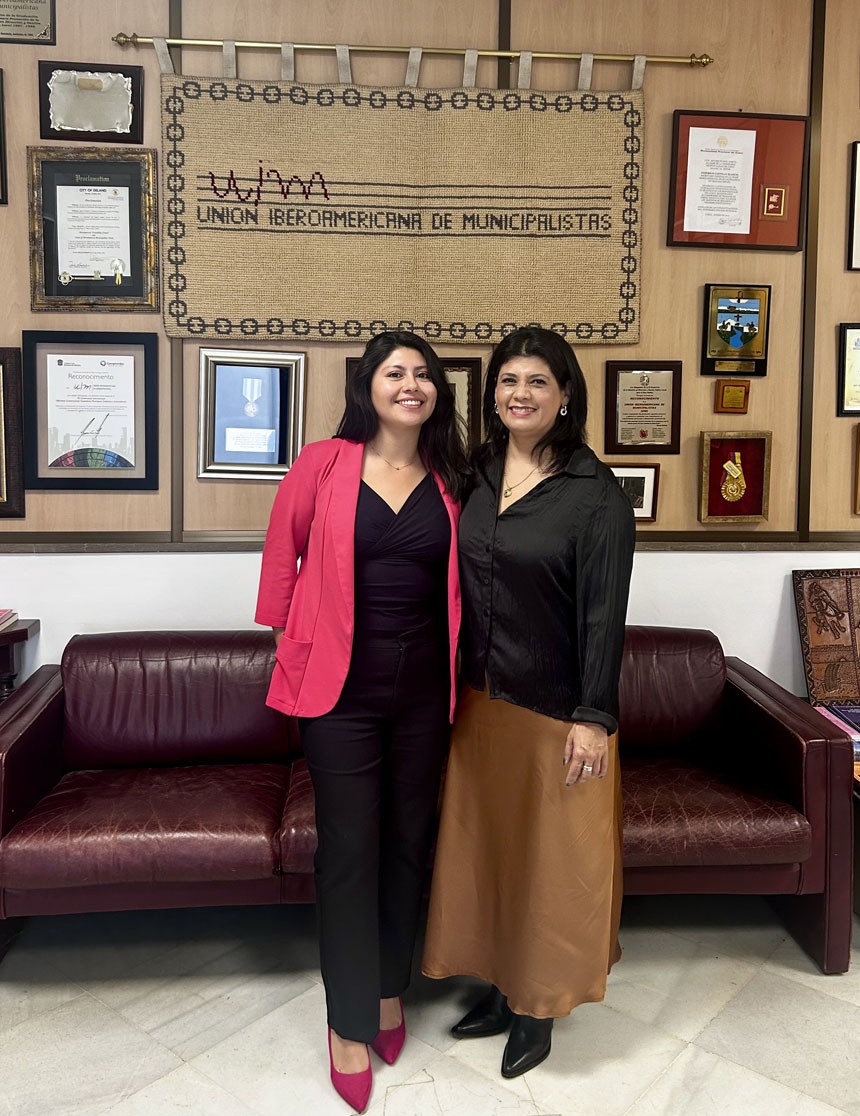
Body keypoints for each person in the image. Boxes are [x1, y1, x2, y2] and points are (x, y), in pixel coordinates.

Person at [255, 330, 468, 1113]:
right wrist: (290, 641)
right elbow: (281, 557)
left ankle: (386, 989)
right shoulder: (323, 463)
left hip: (425, 694)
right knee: (349, 851)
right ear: (368, 388)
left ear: (437, 391)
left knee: (408, 845)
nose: (410, 384)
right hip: (338, 694)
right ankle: (347, 1022)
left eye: (423, 374)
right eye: (394, 372)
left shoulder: (452, 476)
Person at [422, 326, 635, 1079]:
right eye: (508, 380)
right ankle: (496, 984)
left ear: (565, 394)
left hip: (557, 711)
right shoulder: (474, 474)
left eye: (538, 381)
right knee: (490, 855)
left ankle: (537, 1008)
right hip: (480, 704)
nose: (521, 394)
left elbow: (605, 616)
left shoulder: (594, 493)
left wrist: (594, 717)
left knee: (552, 867)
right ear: (493, 396)